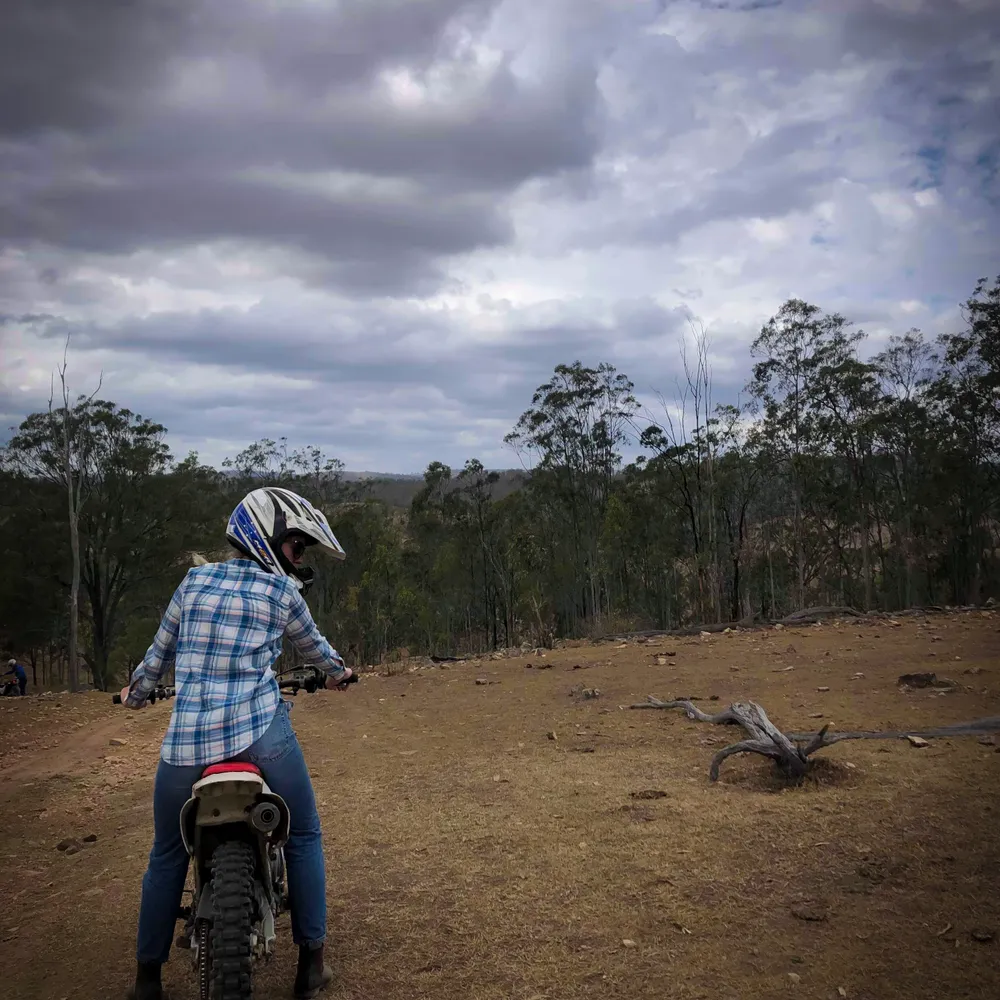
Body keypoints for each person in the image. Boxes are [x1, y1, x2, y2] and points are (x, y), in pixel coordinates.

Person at [120, 487, 355, 1000]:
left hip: (186, 747)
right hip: (261, 735)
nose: (299, 558)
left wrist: (134, 695)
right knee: (304, 833)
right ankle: (311, 965)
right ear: (266, 536)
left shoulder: (193, 581)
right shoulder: (283, 593)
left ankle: (147, 979)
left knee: (166, 852)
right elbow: (318, 651)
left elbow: (157, 656)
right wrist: (340, 674)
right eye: (296, 546)